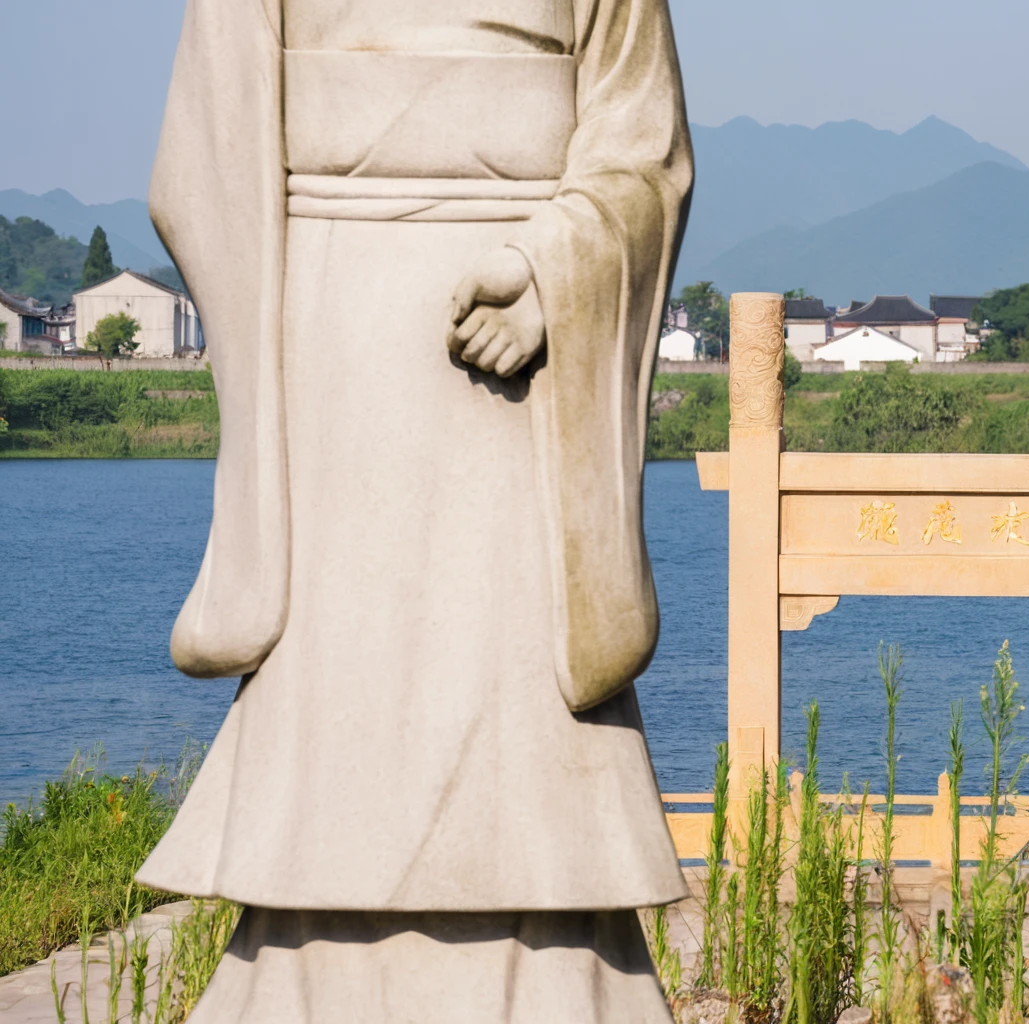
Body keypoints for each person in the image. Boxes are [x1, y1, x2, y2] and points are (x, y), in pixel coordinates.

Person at [135, 0, 692, 1020]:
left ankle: (558, 981)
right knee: (342, 687)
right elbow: (201, 157)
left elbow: (643, 158)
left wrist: (549, 267)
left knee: (515, 694)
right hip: (329, 347)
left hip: (521, 372)